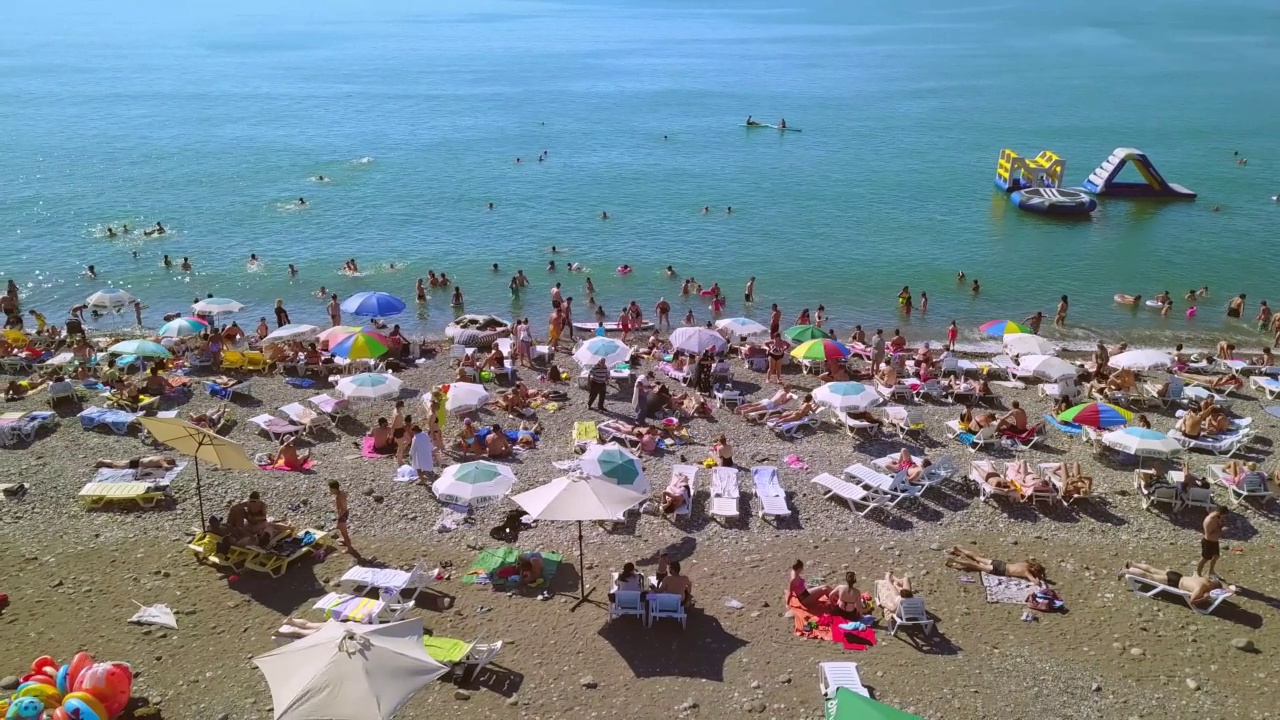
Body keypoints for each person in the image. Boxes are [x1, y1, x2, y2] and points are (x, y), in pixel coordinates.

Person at [1120, 562, 1233, 608]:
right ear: (1212, 587)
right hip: (1175, 582)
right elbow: (1192, 602)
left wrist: (1226, 587)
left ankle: (1132, 563)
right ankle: (1126, 571)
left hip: (1177, 575)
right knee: (1149, 576)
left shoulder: (1206, 580)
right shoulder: (1201, 588)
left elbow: (1220, 582)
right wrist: (1204, 598)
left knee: (1152, 569)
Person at [945, 546, 1046, 586]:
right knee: (975, 565)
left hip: (1000, 563)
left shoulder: (1026, 564)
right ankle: (955, 560)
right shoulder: (1027, 572)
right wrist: (1038, 577)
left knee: (977, 558)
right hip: (1000, 569)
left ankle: (958, 549)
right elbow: (1036, 583)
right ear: (1035, 571)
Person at [328, 480, 357, 556]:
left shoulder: (339, 497)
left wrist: (339, 518)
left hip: (342, 515)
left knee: (344, 533)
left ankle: (349, 549)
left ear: (334, 489)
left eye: (331, 489)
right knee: (342, 530)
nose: (330, 491)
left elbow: (343, 509)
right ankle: (345, 541)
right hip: (344, 514)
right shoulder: (342, 493)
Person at [1198, 505, 1227, 578]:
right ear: (1220, 513)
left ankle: (1211, 572)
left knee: (1216, 556)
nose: (1224, 517)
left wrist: (1221, 527)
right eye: (1224, 516)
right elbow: (1209, 534)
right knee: (1204, 559)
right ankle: (1198, 573)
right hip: (1208, 542)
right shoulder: (1210, 520)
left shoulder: (1217, 517)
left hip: (1215, 541)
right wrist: (1222, 532)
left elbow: (1217, 527)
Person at [93, 455, 176, 470]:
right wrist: (173, 466)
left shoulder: (161, 457)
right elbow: (165, 466)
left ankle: (103, 462)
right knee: (117, 466)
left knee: (119, 463)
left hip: (138, 460)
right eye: (170, 462)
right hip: (137, 463)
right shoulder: (162, 460)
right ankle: (102, 461)